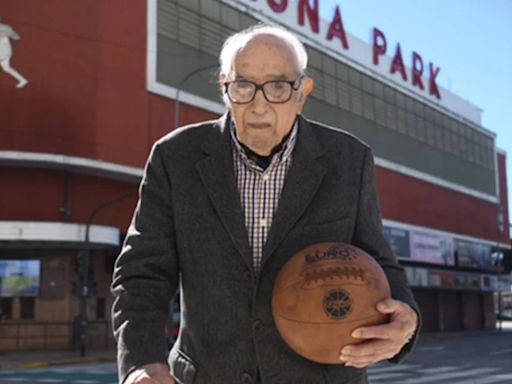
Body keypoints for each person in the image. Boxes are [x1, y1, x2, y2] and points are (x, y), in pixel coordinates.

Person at [111, 24, 420, 384]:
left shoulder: (349, 160)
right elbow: (142, 273)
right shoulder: (174, 157)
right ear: (225, 87)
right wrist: (142, 363)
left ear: (302, 92)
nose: (259, 106)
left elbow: (378, 261)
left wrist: (406, 320)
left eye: (277, 87)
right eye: (243, 87)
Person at [0, 17, 28, 89]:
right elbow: (16, 37)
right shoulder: (6, 28)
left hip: (3, 52)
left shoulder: (4, 28)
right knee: (6, 68)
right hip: (7, 51)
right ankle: (22, 80)